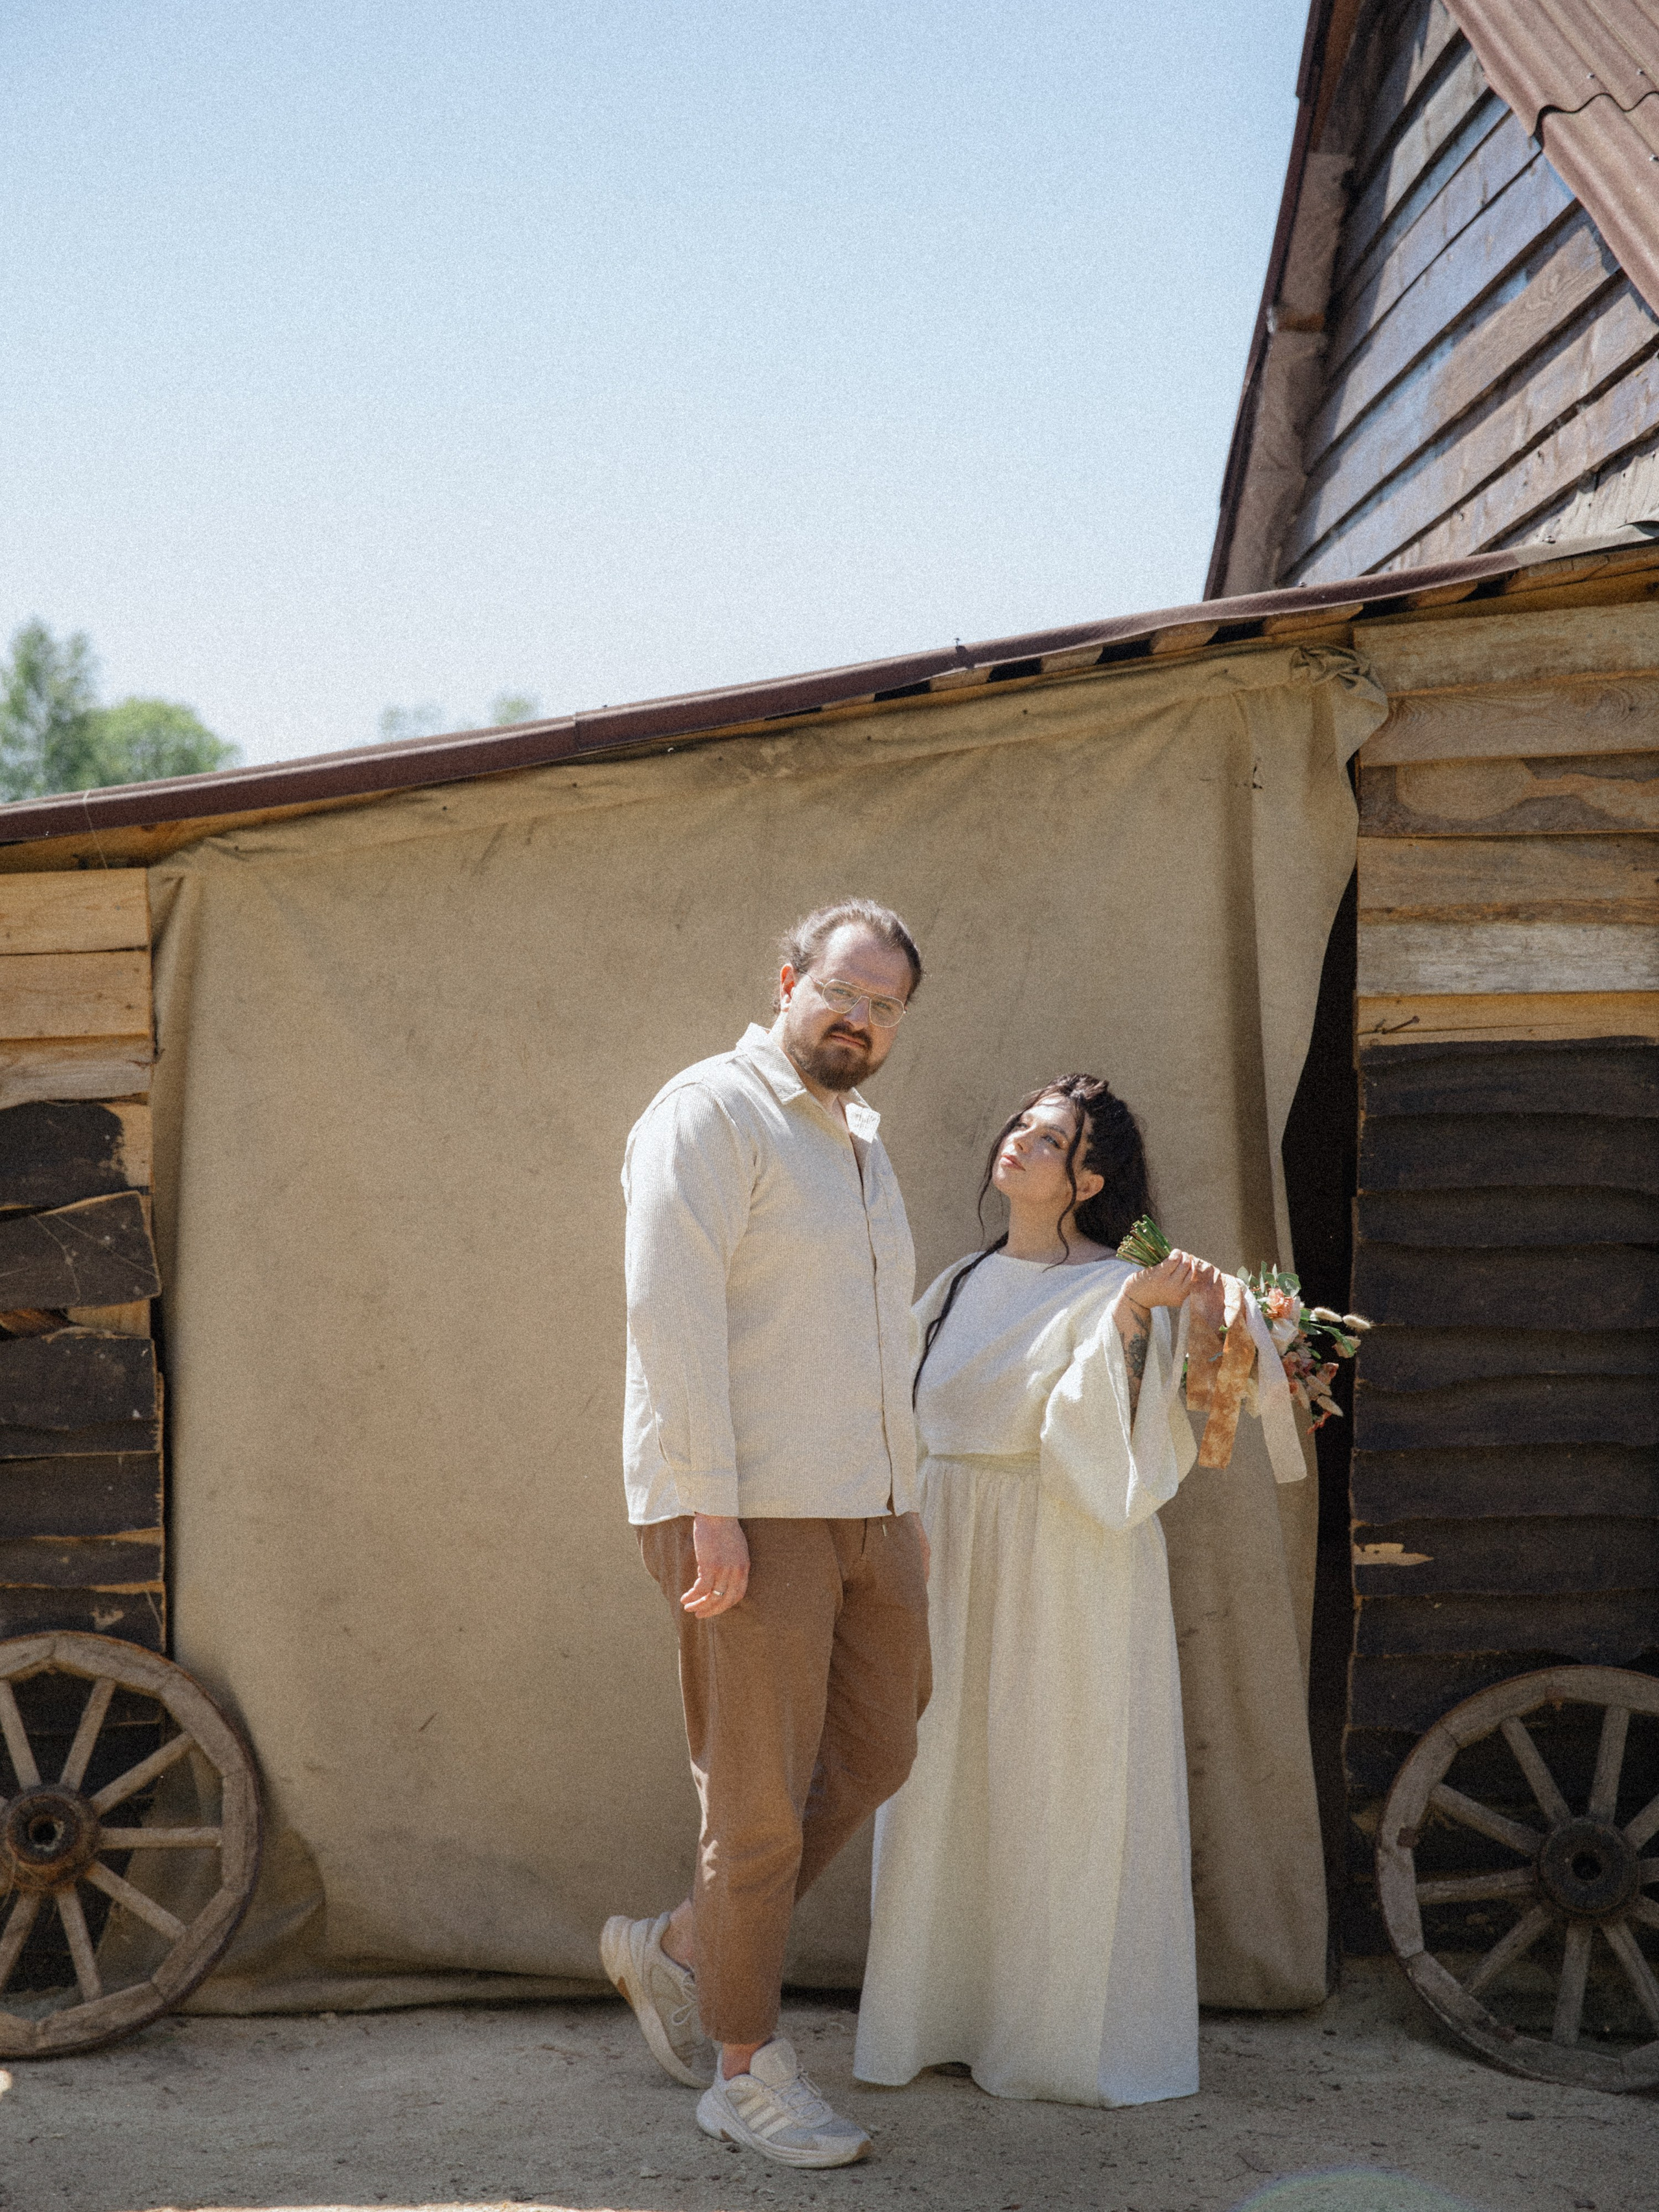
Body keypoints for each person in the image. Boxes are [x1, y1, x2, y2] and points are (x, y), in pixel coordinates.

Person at [603, 898, 933, 2172]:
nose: (858, 1017)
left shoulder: (856, 1141)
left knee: (876, 1751)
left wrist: (901, 1503)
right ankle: (741, 2071)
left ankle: (686, 1947)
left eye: (884, 1005)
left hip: (868, 1506)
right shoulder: (709, 1111)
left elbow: (871, 1335)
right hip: (746, 1509)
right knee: (754, 1809)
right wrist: (708, 1509)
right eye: (841, 991)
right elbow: (667, 1310)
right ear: (787, 978)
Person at [853, 1073, 1226, 2108]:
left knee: (1053, 1779)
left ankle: (1052, 2032)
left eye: (1050, 1138)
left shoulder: (1118, 1284)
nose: (1018, 1140)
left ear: (1089, 1178)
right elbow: (907, 1413)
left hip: (1063, 1563)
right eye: (1019, 1123)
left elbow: (1110, 1450)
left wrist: (1131, 1319)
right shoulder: (963, 1280)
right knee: (942, 1780)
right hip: (949, 1553)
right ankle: (939, 2015)